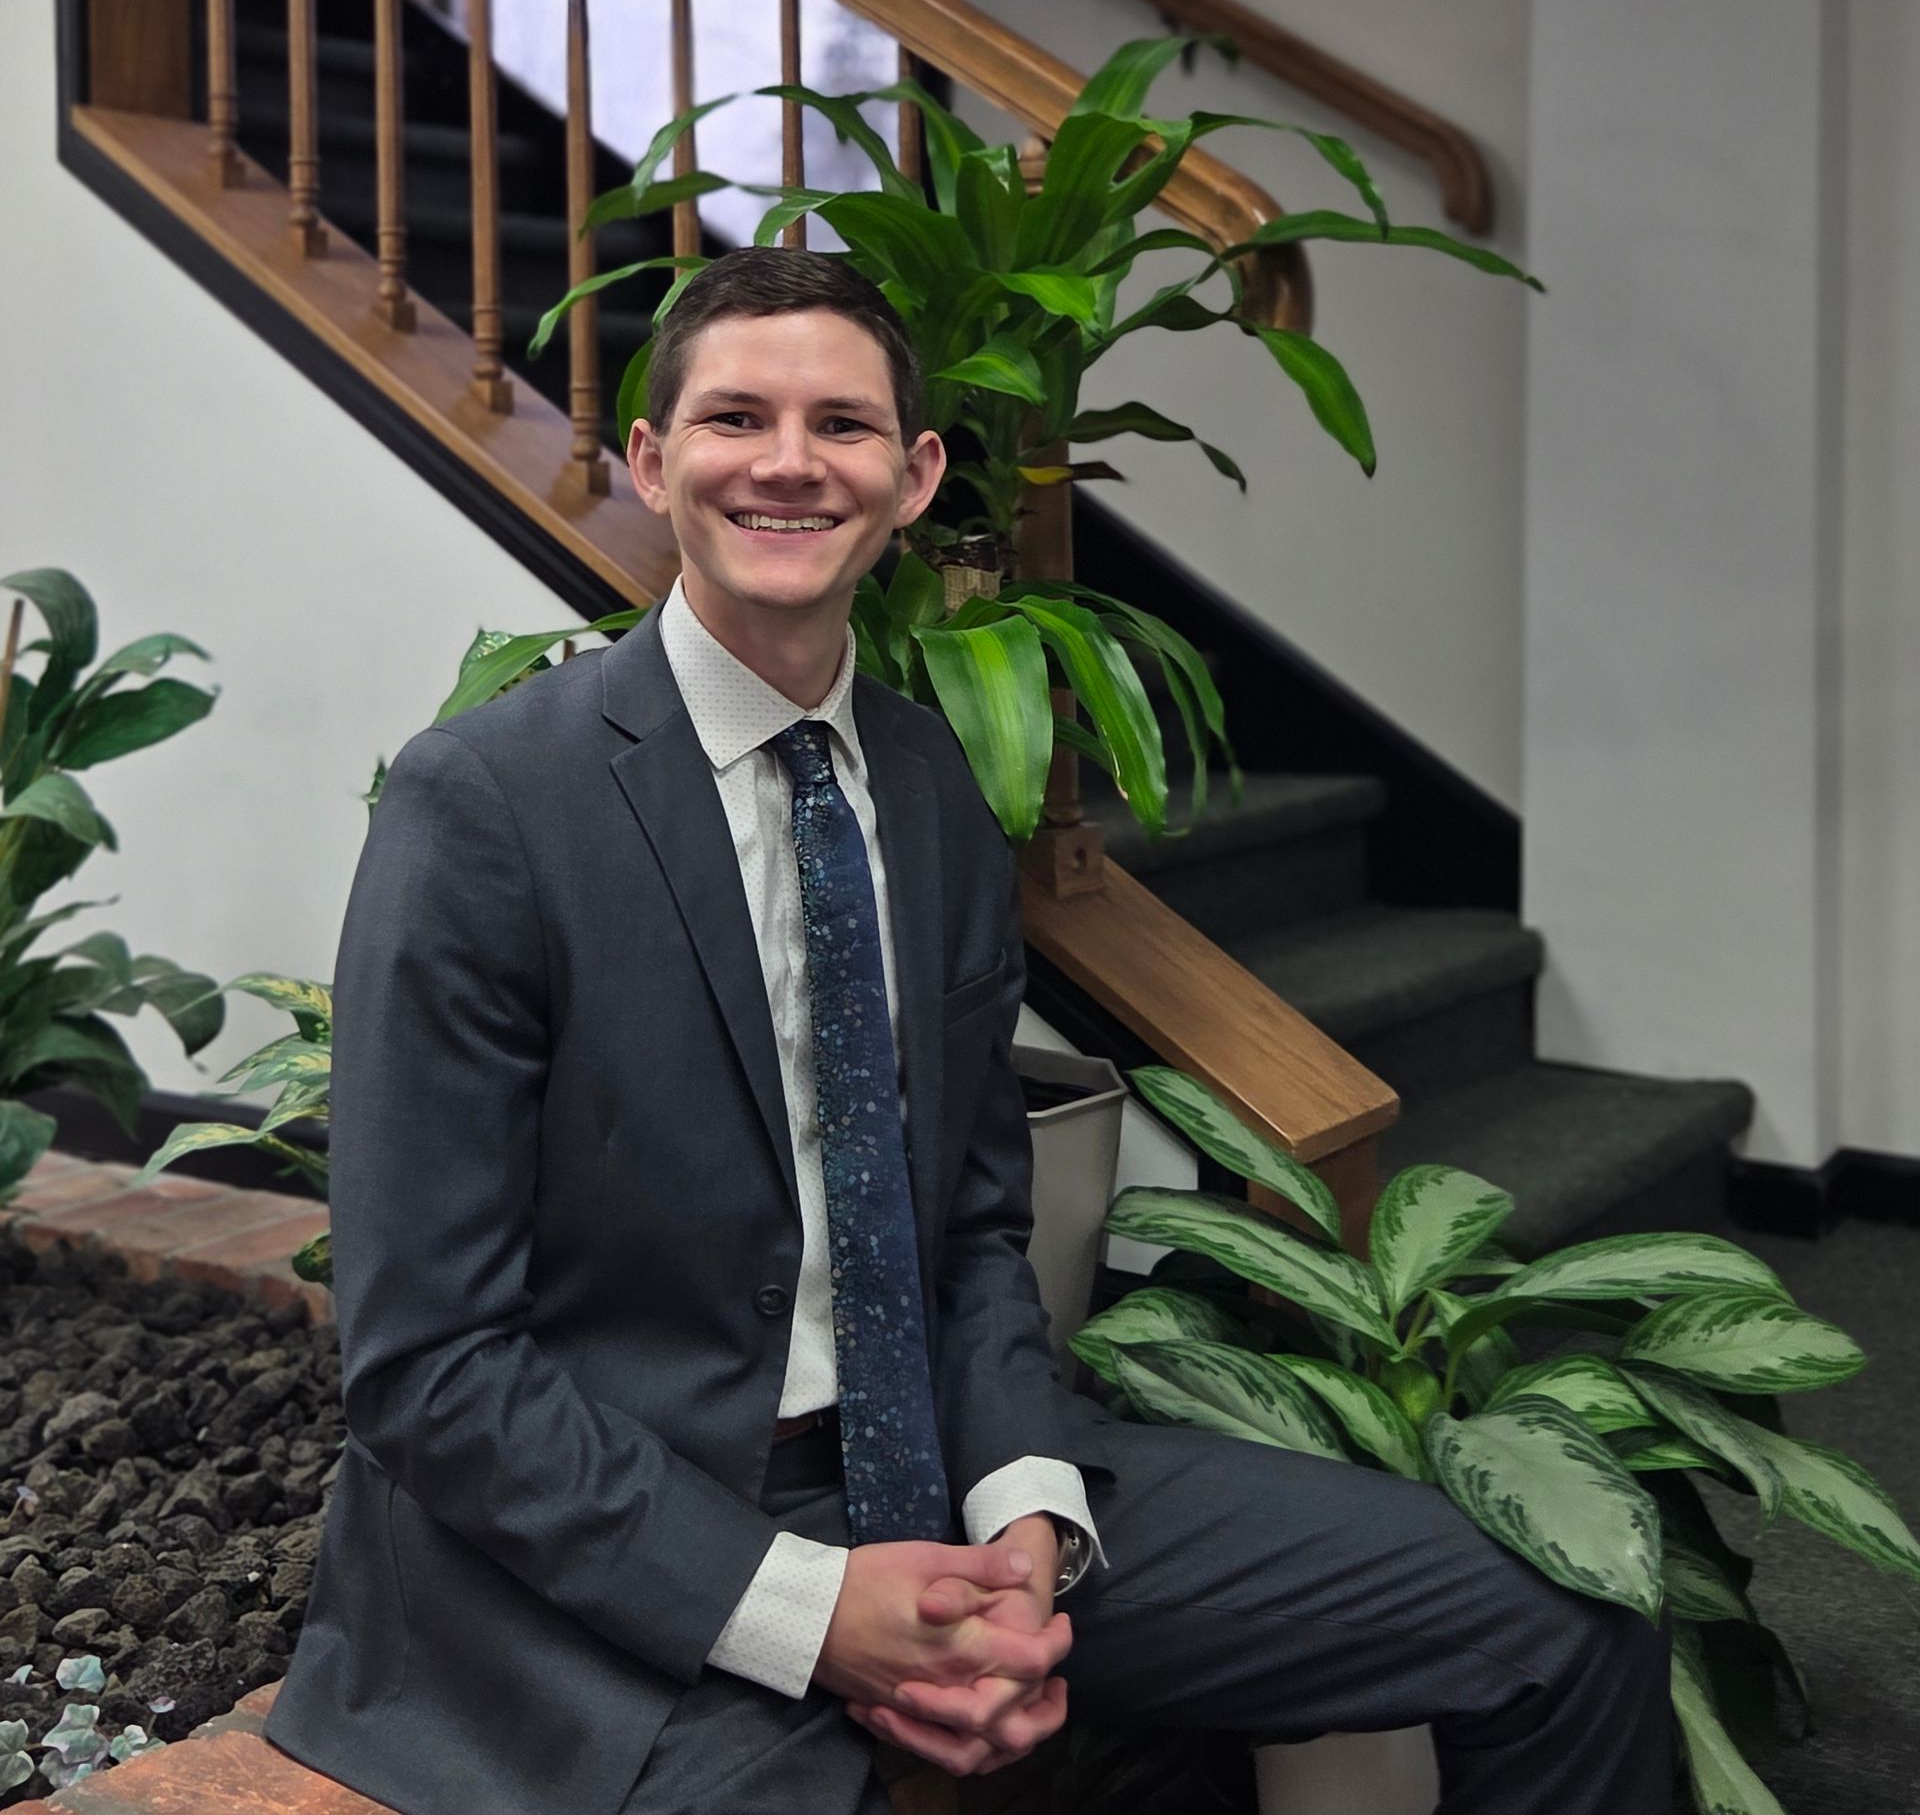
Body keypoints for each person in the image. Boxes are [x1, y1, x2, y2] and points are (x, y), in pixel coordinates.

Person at [266, 247, 1672, 1815]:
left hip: (937, 1466)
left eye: (845, 426)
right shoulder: (487, 806)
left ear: (916, 476)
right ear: (654, 463)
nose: (791, 462)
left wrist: (1028, 1514)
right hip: (623, 1522)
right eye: (737, 417)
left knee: (1558, 1619)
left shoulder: (933, 788)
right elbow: (430, 1366)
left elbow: (974, 1228)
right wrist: (812, 1614)